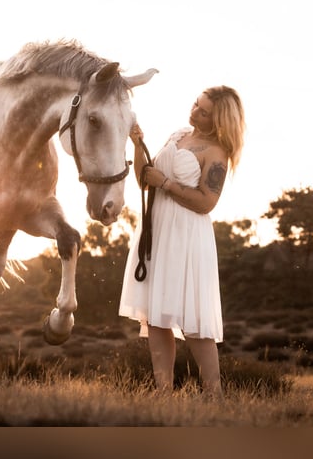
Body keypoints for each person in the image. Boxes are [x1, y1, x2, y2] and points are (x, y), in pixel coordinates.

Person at [119, 85, 245, 396]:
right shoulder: (177, 135)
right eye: (195, 104)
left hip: (187, 235)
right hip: (158, 228)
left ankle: (213, 393)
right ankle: (164, 393)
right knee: (156, 316)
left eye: (203, 112)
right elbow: (144, 178)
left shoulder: (217, 153)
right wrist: (138, 144)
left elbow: (206, 203)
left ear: (219, 120)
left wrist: (167, 184)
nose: (193, 112)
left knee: (194, 319)